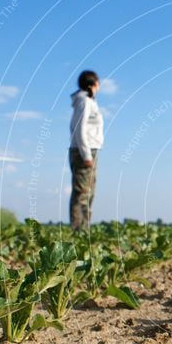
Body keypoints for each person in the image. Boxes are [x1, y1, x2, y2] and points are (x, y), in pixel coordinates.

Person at [69, 70, 103, 230]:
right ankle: (78, 231)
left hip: (88, 150)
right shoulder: (84, 102)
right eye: (98, 82)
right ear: (92, 83)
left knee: (89, 192)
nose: (99, 85)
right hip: (85, 151)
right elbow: (79, 129)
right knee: (82, 193)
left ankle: (84, 229)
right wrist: (87, 155)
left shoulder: (87, 101)